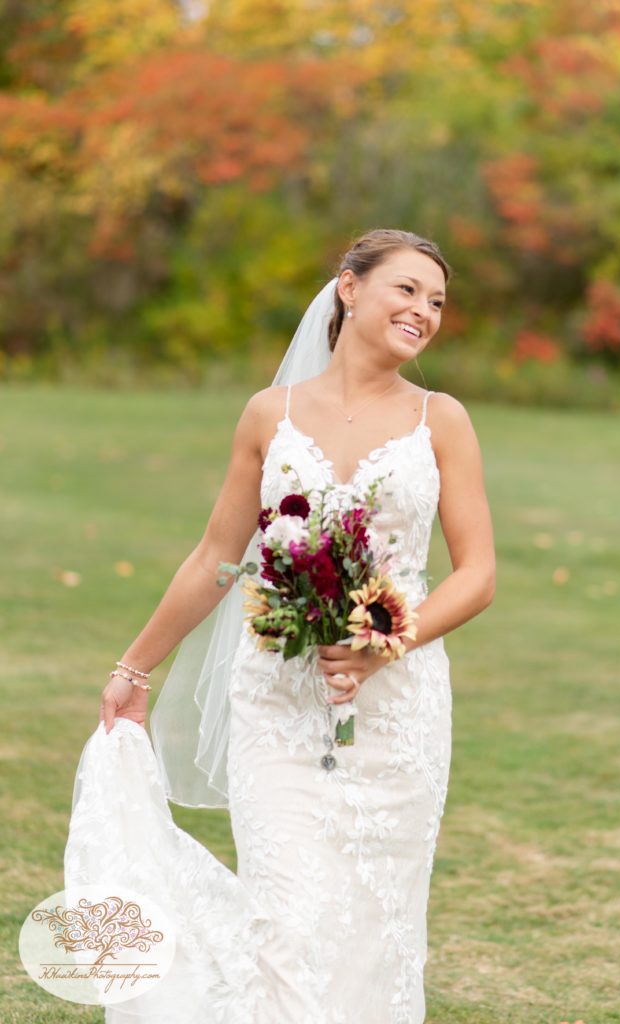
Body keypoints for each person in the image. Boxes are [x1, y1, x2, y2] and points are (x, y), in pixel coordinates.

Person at [66, 228, 496, 1024]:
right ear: (349, 288)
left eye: (437, 301)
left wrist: (383, 645)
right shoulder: (271, 414)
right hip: (276, 699)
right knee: (286, 918)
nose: (424, 311)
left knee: (378, 920)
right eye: (406, 289)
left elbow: (478, 575)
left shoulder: (443, 421)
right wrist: (133, 669)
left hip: (396, 705)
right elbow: (215, 560)